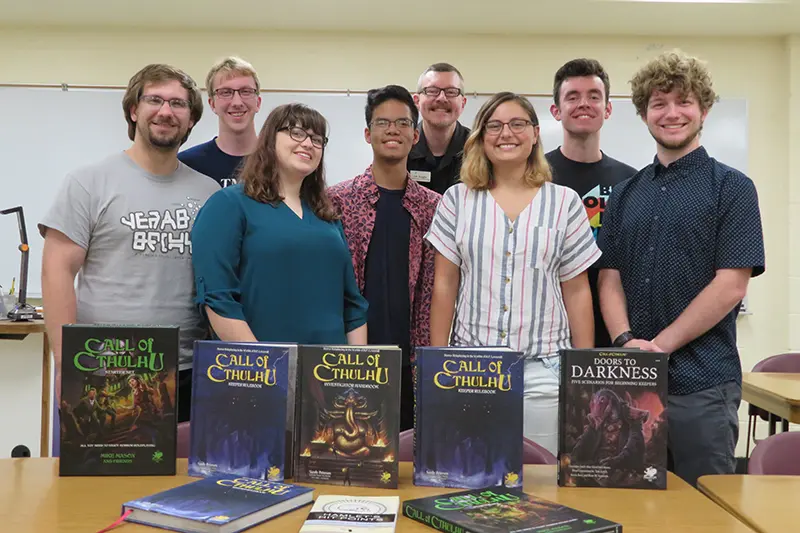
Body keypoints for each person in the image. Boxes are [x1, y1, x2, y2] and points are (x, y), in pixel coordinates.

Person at [596, 50, 765, 487]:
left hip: (704, 385)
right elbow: (609, 276)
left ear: (704, 109)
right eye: (658, 103)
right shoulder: (625, 194)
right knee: (632, 507)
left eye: (684, 101)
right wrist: (626, 341)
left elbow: (731, 285)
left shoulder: (732, 188)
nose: (672, 113)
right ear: (644, 114)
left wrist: (661, 346)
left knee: (703, 509)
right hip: (631, 389)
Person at [39, 64, 219, 423]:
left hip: (185, 370)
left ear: (191, 120)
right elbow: (56, 270)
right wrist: (66, 364)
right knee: (104, 479)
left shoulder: (209, 192)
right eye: (154, 99)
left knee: (180, 479)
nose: (166, 111)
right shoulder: (89, 182)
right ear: (134, 110)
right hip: (102, 370)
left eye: (178, 104)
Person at [426, 92, 600, 455]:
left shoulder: (564, 202)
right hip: (470, 368)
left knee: (542, 483)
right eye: (495, 125)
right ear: (481, 136)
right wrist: (438, 360)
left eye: (518, 124)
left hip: (544, 370)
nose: (507, 133)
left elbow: (577, 290)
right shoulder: (456, 200)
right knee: (470, 475)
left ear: (535, 133)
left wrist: (582, 373)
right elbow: (444, 284)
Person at [190, 103, 368, 347]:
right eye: (296, 132)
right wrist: (263, 365)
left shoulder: (327, 216)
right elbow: (217, 297)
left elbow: (353, 306)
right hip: (259, 372)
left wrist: (354, 371)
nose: (308, 143)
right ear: (269, 139)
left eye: (317, 139)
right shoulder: (229, 205)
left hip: (329, 372)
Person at [328, 85, 441, 431]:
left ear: (416, 135)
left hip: (412, 365)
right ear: (367, 133)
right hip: (347, 362)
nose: (393, 130)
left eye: (403, 123)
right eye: (382, 123)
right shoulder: (335, 201)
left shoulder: (434, 207)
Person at [546, 58, 637, 348]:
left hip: (614, 331)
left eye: (594, 97)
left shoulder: (630, 181)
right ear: (556, 111)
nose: (583, 103)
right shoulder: (534, 177)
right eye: (572, 97)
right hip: (546, 331)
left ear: (608, 109)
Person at [179, 56, 262, 187]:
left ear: (258, 102)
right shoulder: (187, 165)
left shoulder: (280, 161)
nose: (237, 102)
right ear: (212, 104)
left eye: (245, 91)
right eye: (225, 92)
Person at [408, 62, 470, 194]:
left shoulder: (479, 147)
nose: (442, 98)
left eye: (451, 92)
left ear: (463, 103)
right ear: (417, 101)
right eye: (432, 91)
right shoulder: (403, 146)